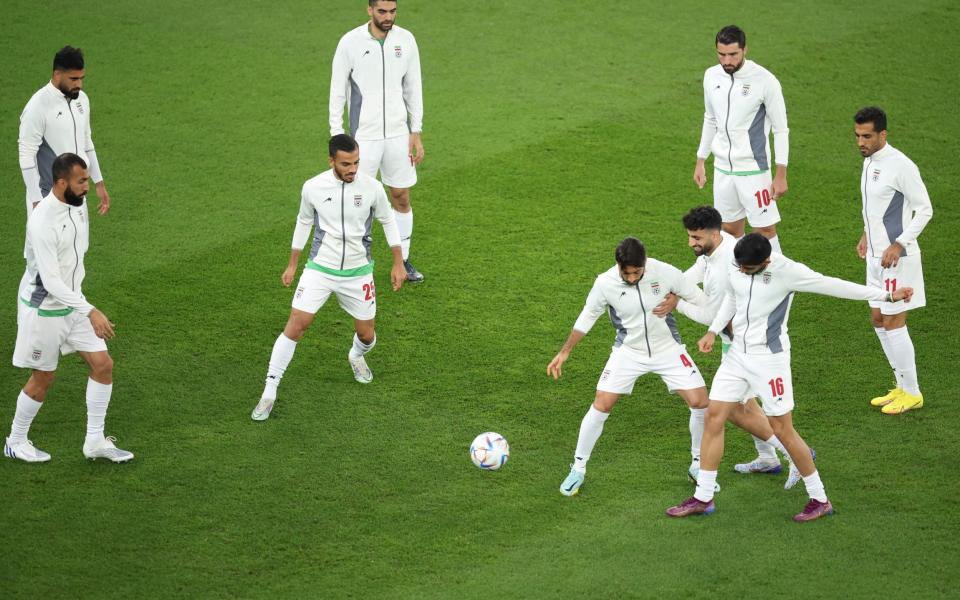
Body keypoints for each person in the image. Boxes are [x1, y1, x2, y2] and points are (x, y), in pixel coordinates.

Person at [666, 234, 912, 522]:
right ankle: (703, 497)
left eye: (749, 268)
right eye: (740, 267)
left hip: (770, 361)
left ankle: (819, 498)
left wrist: (886, 296)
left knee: (783, 429)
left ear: (766, 261)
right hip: (736, 357)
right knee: (714, 416)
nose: (742, 272)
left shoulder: (787, 272)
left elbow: (833, 285)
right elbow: (733, 296)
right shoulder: (739, 262)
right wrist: (713, 330)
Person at [251, 134, 406, 421]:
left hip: (358, 272)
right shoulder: (313, 187)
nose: (353, 169)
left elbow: (387, 220)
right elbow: (304, 221)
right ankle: (269, 390)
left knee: (366, 335)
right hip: (320, 268)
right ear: (331, 161)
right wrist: (292, 264)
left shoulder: (372, 188)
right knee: (297, 324)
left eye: (357, 162)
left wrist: (399, 262)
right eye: (346, 164)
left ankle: (356, 355)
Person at [547, 237, 713, 497]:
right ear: (618, 266)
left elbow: (702, 300)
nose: (634, 277)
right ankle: (578, 468)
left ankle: (697, 464)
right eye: (628, 273)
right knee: (602, 403)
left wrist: (677, 301)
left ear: (645, 263)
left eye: (638, 272)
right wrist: (565, 350)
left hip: (668, 349)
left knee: (701, 401)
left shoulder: (665, 272)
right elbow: (588, 315)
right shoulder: (605, 283)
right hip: (628, 352)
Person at [655, 206, 798, 486]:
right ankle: (768, 457)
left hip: (747, 344)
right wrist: (673, 288)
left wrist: (677, 304)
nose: (690, 243)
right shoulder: (717, 249)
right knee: (745, 401)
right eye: (689, 236)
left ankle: (793, 453)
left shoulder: (725, 269)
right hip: (736, 340)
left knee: (732, 408)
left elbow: (712, 317)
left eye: (696, 237)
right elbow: (695, 272)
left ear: (713, 233)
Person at [5, 153, 132, 463]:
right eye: (81, 181)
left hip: (72, 302)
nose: (86, 187)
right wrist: (90, 310)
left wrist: (81, 304)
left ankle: (95, 441)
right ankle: (15, 441)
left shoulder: (77, 205)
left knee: (103, 365)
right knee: (43, 378)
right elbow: (49, 280)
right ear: (62, 183)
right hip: (44, 308)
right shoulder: (42, 221)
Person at [329, 0, 425, 282]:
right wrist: (337, 135)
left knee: (401, 195)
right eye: (382, 11)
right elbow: (337, 90)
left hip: (398, 134)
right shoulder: (350, 42)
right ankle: (351, 260)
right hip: (364, 137)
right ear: (369, 9)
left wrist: (415, 130)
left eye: (393, 11)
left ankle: (403, 260)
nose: (388, 17)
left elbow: (413, 86)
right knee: (357, 200)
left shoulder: (406, 40)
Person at [854, 107, 932, 415]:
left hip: (898, 258)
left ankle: (912, 393)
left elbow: (925, 209)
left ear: (883, 134)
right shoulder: (870, 161)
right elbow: (876, 207)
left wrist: (899, 244)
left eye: (867, 136)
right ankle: (901, 384)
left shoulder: (901, 165)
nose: (861, 142)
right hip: (875, 256)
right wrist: (865, 234)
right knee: (878, 319)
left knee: (894, 322)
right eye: (858, 136)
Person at [693, 25, 788, 252]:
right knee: (728, 229)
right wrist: (701, 159)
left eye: (733, 54)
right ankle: (737, 284)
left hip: (754, 171)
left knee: (764, 231)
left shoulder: (765, 81)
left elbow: (781, 129)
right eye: (721, 54)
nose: (727, 60)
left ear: (745, 50)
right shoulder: (711, 76)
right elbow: (710, 118)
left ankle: (783, 287)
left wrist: (781, 174)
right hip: (723, 170)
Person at [19, 46, 111, 216]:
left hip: (77, 194)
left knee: (78, 243)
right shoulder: (37, 106)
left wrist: (99, 183)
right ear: (57, 75)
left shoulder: (82, 100)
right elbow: (26, 156)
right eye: (73, 79)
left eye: (81, 78)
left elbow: (87, 143)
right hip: (49, 197)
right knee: (42, 243)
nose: (79, 84)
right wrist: (36, 200)